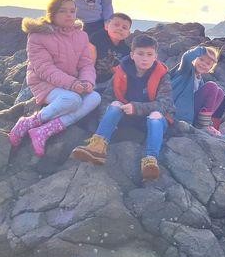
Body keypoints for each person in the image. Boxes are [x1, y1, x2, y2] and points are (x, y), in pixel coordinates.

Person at [71, 34, 174, 180]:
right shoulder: (121, 71)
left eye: (149, 54)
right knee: (115, 104)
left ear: (155, 56)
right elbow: (107, 97)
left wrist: (136, 107)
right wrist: (106, 120)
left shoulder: (163, 76)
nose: (145, 58)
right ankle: (98, 147)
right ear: (132, 55)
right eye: (140, 53)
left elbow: (165, 104)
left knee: (156, 116)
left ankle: (150, 160)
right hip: (127, 116)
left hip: (151, 118)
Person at [8, 0, 100, 156]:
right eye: (63, 11)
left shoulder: (81, 36)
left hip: (72, 83)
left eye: (72, 11)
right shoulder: (38, 36)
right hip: (45, 83)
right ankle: (28, 122)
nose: (69, 15)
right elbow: (44, 68)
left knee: (95, 97)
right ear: (52, 14)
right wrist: (72, 84)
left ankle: (44, 131)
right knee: (72, 100)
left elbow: (86, 64)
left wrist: (87, 81)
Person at [170, 45, 224, 135]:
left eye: (207, 64)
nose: (203, 64)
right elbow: (186, 57)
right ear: (194, 59)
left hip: (191, 113)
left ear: (210, 69)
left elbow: (206, 105)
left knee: (220, 92)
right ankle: (203, 125)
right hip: (178, 111)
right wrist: (202, 50)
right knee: (212, 86)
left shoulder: (200, 81)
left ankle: (204, 123)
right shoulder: (185, 69)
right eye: (201, 59)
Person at [89, 12, 132, 90]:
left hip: (111, 83)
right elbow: (89, 63)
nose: (120, 29)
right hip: (92, 78)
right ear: (106, 26)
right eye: (116, 25)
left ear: (128, 33)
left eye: (124, 28)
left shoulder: (127, 49)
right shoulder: (97, 38)